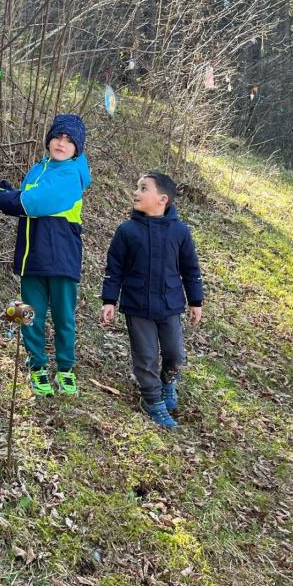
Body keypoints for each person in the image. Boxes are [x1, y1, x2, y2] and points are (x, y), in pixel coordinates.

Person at [0, 114, 91, 397]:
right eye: (58, 137)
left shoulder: (71, 175)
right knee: (28, 315)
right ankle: (37, 366)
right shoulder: (39, 169)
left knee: (63, 318)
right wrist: (0, 189)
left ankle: (65, 369)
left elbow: (32, 203)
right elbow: (26, 200)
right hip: (32, 258)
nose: (61, 143)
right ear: (49, 139)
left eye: (69, 140)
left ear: (77, 148)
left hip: (61, 261)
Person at [100, 172, 203, 428]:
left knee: (175, 354)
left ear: (162, 199)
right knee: (145, 358)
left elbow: (191, 269)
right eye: (137, 188)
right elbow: (114, 268)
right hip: (137, 306)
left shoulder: (180, 231)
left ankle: (168, 383)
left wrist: (196, 301)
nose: (136, 192)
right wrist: (109, 300)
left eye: (143, 188)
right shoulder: (127, 231)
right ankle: (152, 400)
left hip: (169, 305)